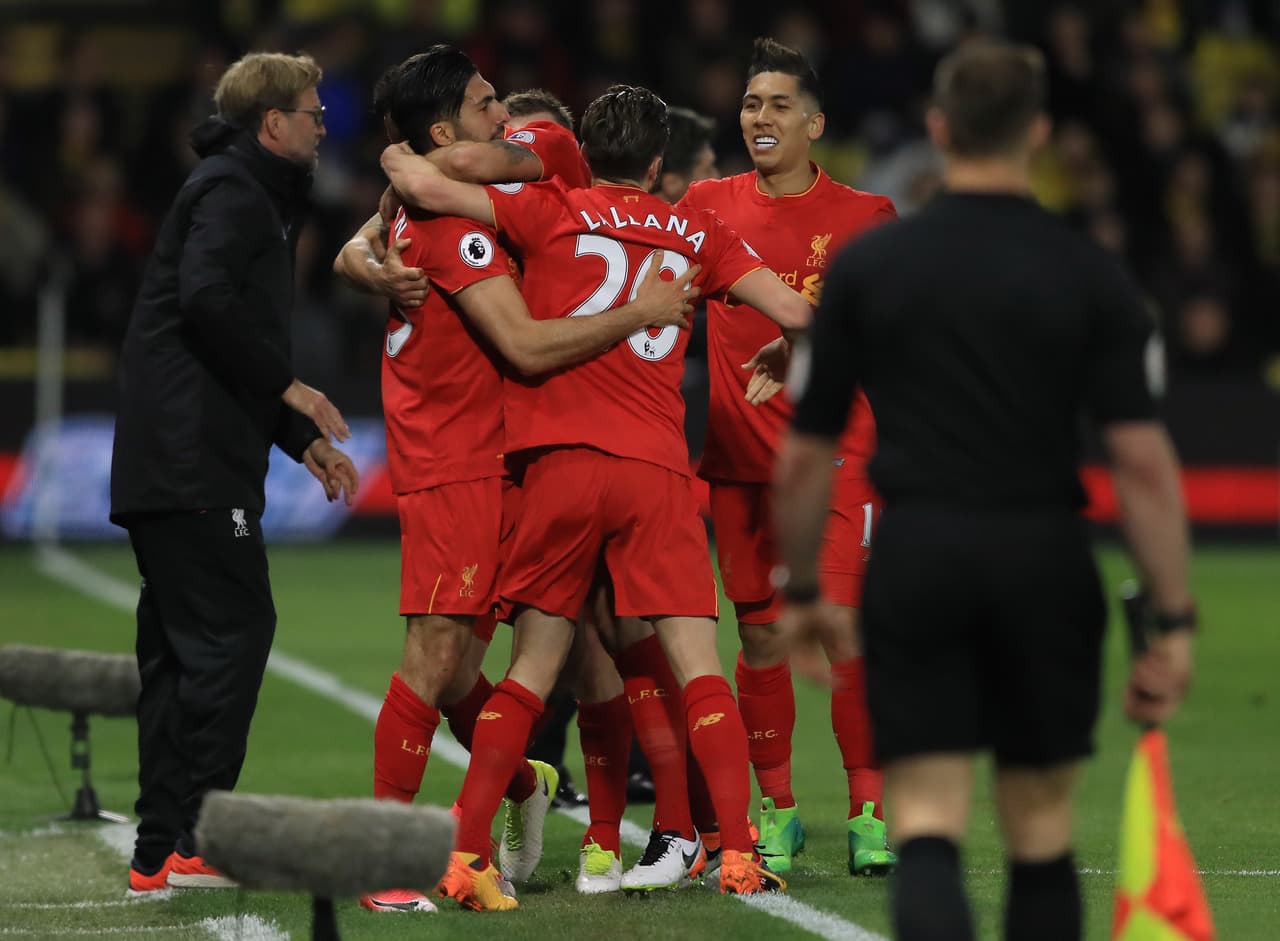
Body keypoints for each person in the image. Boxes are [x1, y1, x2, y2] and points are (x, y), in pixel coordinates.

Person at [774, 40, 1196, 941]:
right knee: (1040, 830)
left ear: (938, 130)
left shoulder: (874, 267)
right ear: (1038, 133)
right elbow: (1145, 465)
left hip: (919, 558)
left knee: (925, 815)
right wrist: (1174, 620)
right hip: (1043, 558)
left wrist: (804, 590)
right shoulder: (1089, 273)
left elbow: (807, 454)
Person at [382, 82, 811, 908]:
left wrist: (397, 153)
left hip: (560, 464)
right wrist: (789, 352)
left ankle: (466, 852)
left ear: (588, 148)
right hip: (655, 468)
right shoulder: (697, 228)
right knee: (698, 665)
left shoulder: (549, 207)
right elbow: (797, 310)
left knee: (535, 667)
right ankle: (735, 853)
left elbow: (432, 189)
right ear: (657, 162)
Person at [333, 49, 697, 913]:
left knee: (590, 649)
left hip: (531, 455)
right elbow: (525, 345)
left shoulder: (529, 163)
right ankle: (393, 860)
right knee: (440, 656)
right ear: (444, 129)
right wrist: (642, 314)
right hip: (460, 459)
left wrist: (380, 204)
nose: (506, 120)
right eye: (484, 103)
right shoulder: (451, 221)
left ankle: (618, 829)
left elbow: (445, 173)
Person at [109, 52, 360, 894]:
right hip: (193, 467)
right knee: (234, 632)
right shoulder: (232, 192)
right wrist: (290, 388)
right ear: (273, 124)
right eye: (314, 112)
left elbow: (216, 335)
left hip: (174, 459)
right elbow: (206, 298)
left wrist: (297, 438)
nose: (325, 125)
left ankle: (158, 847)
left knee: (179, 655)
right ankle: (197, 833)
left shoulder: (235, 189)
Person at [678, 36, 898, 876]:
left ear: (815, 122)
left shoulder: (864, 216)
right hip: (737, 461)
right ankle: (778, 810)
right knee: (762, 641)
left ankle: (870, 810)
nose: (759, 117)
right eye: (749, 104)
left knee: (842, 627)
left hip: (839, 455)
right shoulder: (704, 205)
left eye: (776, 105)